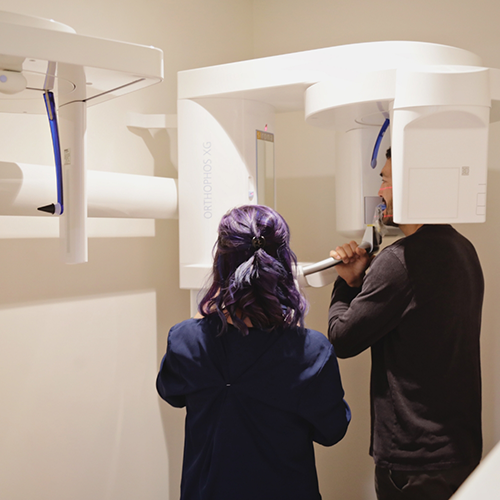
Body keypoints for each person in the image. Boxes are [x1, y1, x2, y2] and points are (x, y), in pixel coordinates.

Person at [157, 205, 351, 500]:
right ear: (283, 263)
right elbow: (332, 431)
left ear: (220, 263)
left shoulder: (185, 339)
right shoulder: (311, 351)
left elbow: (171, 392)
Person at [328, 148, 483, 500]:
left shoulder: (399, 261)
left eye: (384, 180)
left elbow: (341, 339)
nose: (380, 191)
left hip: (415, 461)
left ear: (412, 187)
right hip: (460, 451)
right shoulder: (464, 250)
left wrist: (345, 284)